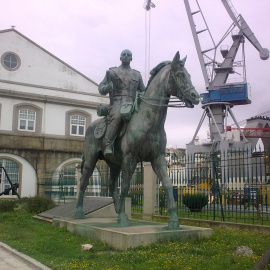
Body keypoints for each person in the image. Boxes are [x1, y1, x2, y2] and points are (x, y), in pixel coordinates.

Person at [98, 49, 145, 158]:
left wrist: (142, 94)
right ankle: (108, 144)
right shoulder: (112, 72)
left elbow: (142, 89)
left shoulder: (137, 74)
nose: (126, 56)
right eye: (124, 55)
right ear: (120, 57)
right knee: (118, 116)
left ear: (131, 59)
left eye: (128, 55)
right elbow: (101, 88)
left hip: (132, 104)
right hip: (117, 102)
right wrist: (107, 87)